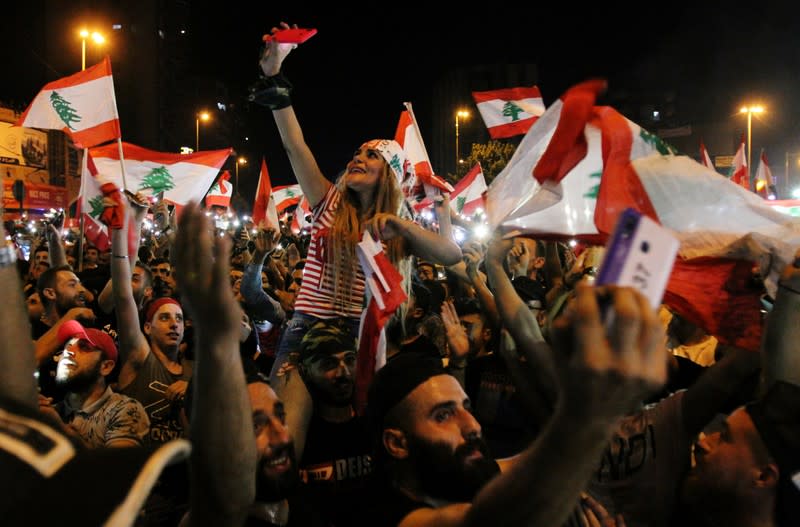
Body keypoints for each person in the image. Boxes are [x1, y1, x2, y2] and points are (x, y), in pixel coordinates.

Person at [258, 20, 462, 442]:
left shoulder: (398, 228)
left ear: (388, 175)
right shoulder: (328, 201)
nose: (358, 157)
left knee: (367, 436)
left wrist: (400, 224)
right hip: (307, 329)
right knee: (281, 435)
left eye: (371, 155)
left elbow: (450, 255)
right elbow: (295, 144)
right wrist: (275, 76)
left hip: (361, 337)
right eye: (357, 152)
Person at [359, 282, 669, 527]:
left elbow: (534, 463)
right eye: (443, 415)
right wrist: (592, 410)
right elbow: (495, 519)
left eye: (466, 407)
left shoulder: (463, 470)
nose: (472, 425)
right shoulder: (383, 512)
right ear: (396, 443)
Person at [38, 320, 150, 449]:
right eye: (67, 346)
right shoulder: (53, 411)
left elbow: (118, 467)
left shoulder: (125, 409)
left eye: (84, 347)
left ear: (106, 367)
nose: (68, 352)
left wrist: (61, 429)